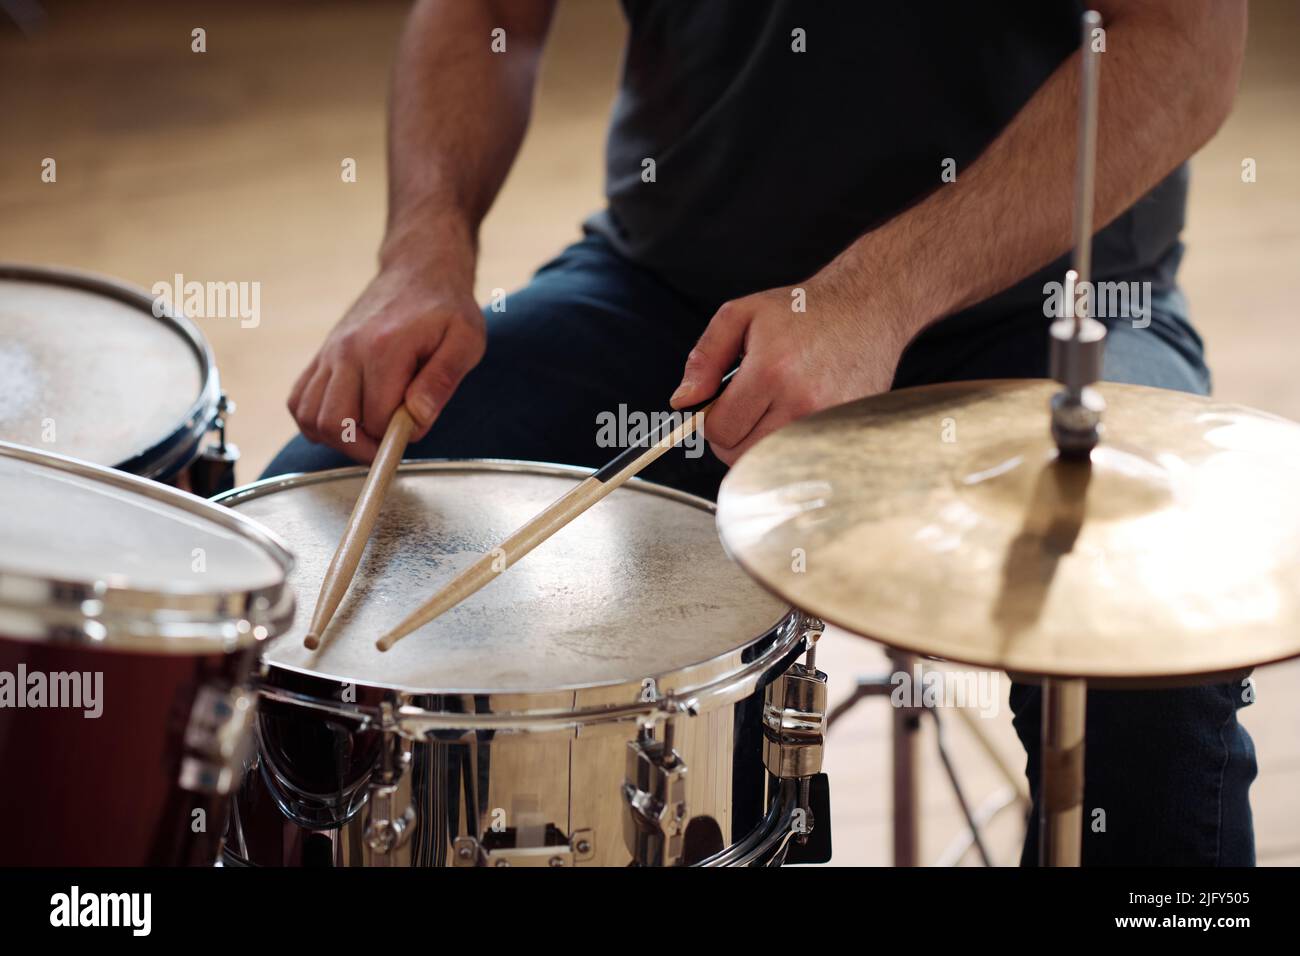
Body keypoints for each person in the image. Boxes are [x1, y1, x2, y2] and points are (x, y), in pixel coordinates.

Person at [267, 0, 1254, 865]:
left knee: (1149, 660)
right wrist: (424, 242)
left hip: (1049, 308)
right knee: (285, 581)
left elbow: (1184, 40)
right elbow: (493, 14)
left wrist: (873, 297)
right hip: (673, 301)